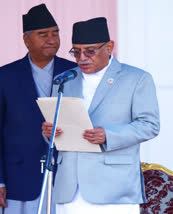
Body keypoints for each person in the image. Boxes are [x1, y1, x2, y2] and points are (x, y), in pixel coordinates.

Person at [42, 17, 160, 214]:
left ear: (109, 47)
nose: (82, 58)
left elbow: (150, 125)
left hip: (114, 188)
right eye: (76, 52)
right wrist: (49, 133)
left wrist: (108, 135)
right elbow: (56, 134)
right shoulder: (64, 80)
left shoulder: (137, 79)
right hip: (69, 188)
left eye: (90, 51)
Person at [0, 3, 76, 214]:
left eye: (55, 33)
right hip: (19, 181)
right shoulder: (3, 76)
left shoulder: (74, 72)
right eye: (43, 34)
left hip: (66, 180)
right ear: (26, 40)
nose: (51, 39)